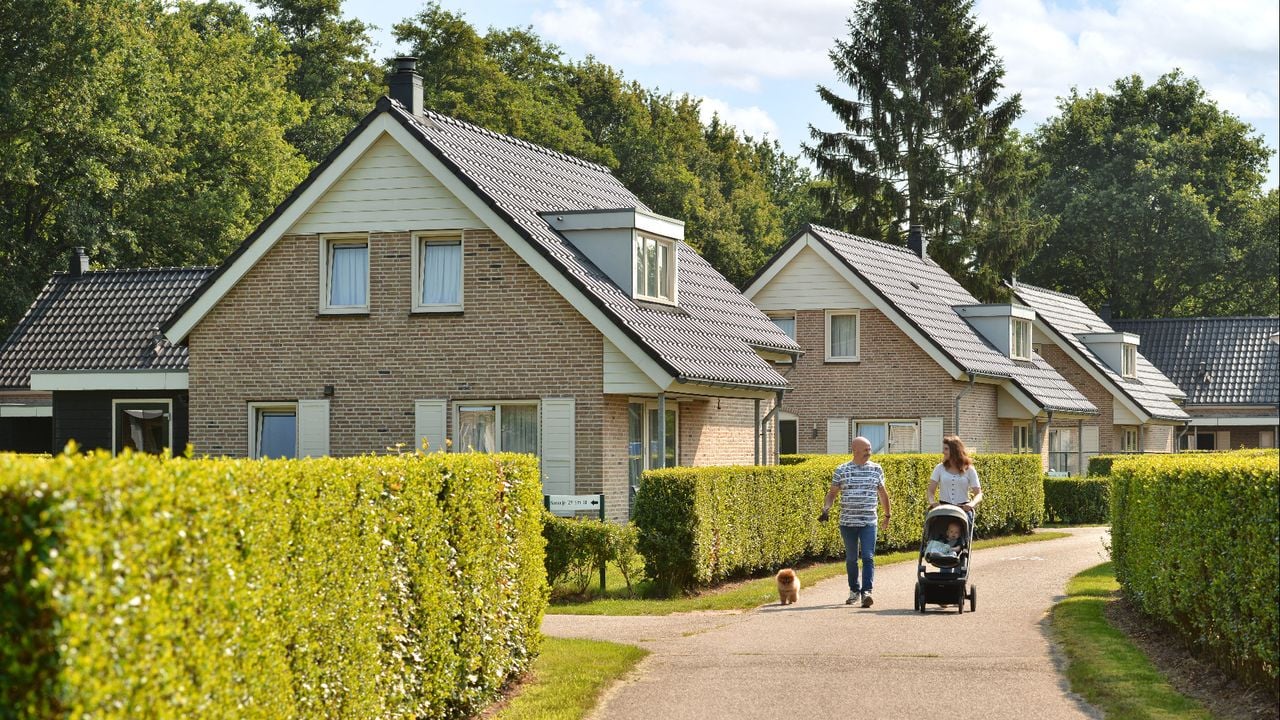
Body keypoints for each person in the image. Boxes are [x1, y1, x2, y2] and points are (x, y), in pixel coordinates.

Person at [818, 436, 892, 608]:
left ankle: (867, 592)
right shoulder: (841, 470)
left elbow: (883, 494)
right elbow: (832, 494)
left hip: (868, 522)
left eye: (870, 449)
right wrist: (826, 508)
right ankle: (854, 591)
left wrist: (887, 515)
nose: (869, 452)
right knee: (851, 559)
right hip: (847, 522)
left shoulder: (876, 469)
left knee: (868, 556)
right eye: (866, 449)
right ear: (855, 450)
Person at [927, 435, 983, 524]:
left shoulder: (969, 469)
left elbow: (978, 494)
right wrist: (932, 502)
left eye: (946, 449)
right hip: (943, 510)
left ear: (954, 450)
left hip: (963, 510)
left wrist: (971, 504)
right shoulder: (939, 468)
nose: (943, 452)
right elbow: (930, 491)